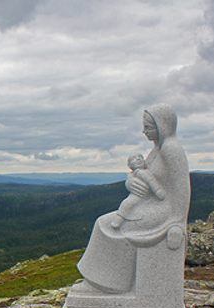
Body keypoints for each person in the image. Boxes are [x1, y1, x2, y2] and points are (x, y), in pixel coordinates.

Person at [75, 104, 190, 294]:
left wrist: (177, 223)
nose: (144, 131)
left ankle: (106, 285)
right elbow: (142, 172)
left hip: (164, 212)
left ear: (162, 126)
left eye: (149, 127)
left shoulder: (171, 149)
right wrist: (130, 181)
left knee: (105, 225)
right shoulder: (158, 149)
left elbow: (182, 190)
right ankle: (103, 283)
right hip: (151, 205)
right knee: (104, 223)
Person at [110, 153, 166, 229]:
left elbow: (152, 182)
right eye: (134, 158)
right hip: (136, 195)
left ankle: (120, 219)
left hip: (145, 196)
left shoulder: (144, 173)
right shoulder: (132, 174)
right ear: (129, 165)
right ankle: (120, 218)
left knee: (128, 203)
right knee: (127, 202)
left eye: (141, 157)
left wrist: (158, 191)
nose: (138, 159)